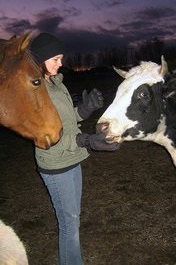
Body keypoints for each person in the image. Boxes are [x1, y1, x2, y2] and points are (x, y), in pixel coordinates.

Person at [30, 32, 120, 265]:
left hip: (71, 159)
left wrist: (85, 110)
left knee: (73, 219)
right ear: (40, 59)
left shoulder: (56, 84)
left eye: (61, 58)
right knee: (69, 223)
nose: (61, 63)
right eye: (56, 59)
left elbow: (67, 120)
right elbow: (47, 135)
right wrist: (85, 140)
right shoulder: (35, 91)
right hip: (55, 164)